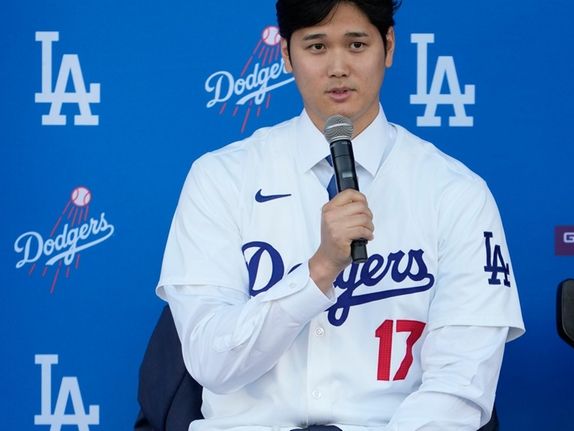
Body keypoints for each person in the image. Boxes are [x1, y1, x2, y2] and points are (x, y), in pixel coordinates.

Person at [156, 0, 525, 429]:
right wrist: (318, 271)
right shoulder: (220, 177)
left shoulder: (455, 192)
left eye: (356, 44)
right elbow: (210, 362)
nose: (337, 67)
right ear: (286, 55)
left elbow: (460, 387)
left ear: (388, 46)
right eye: (316, 47)